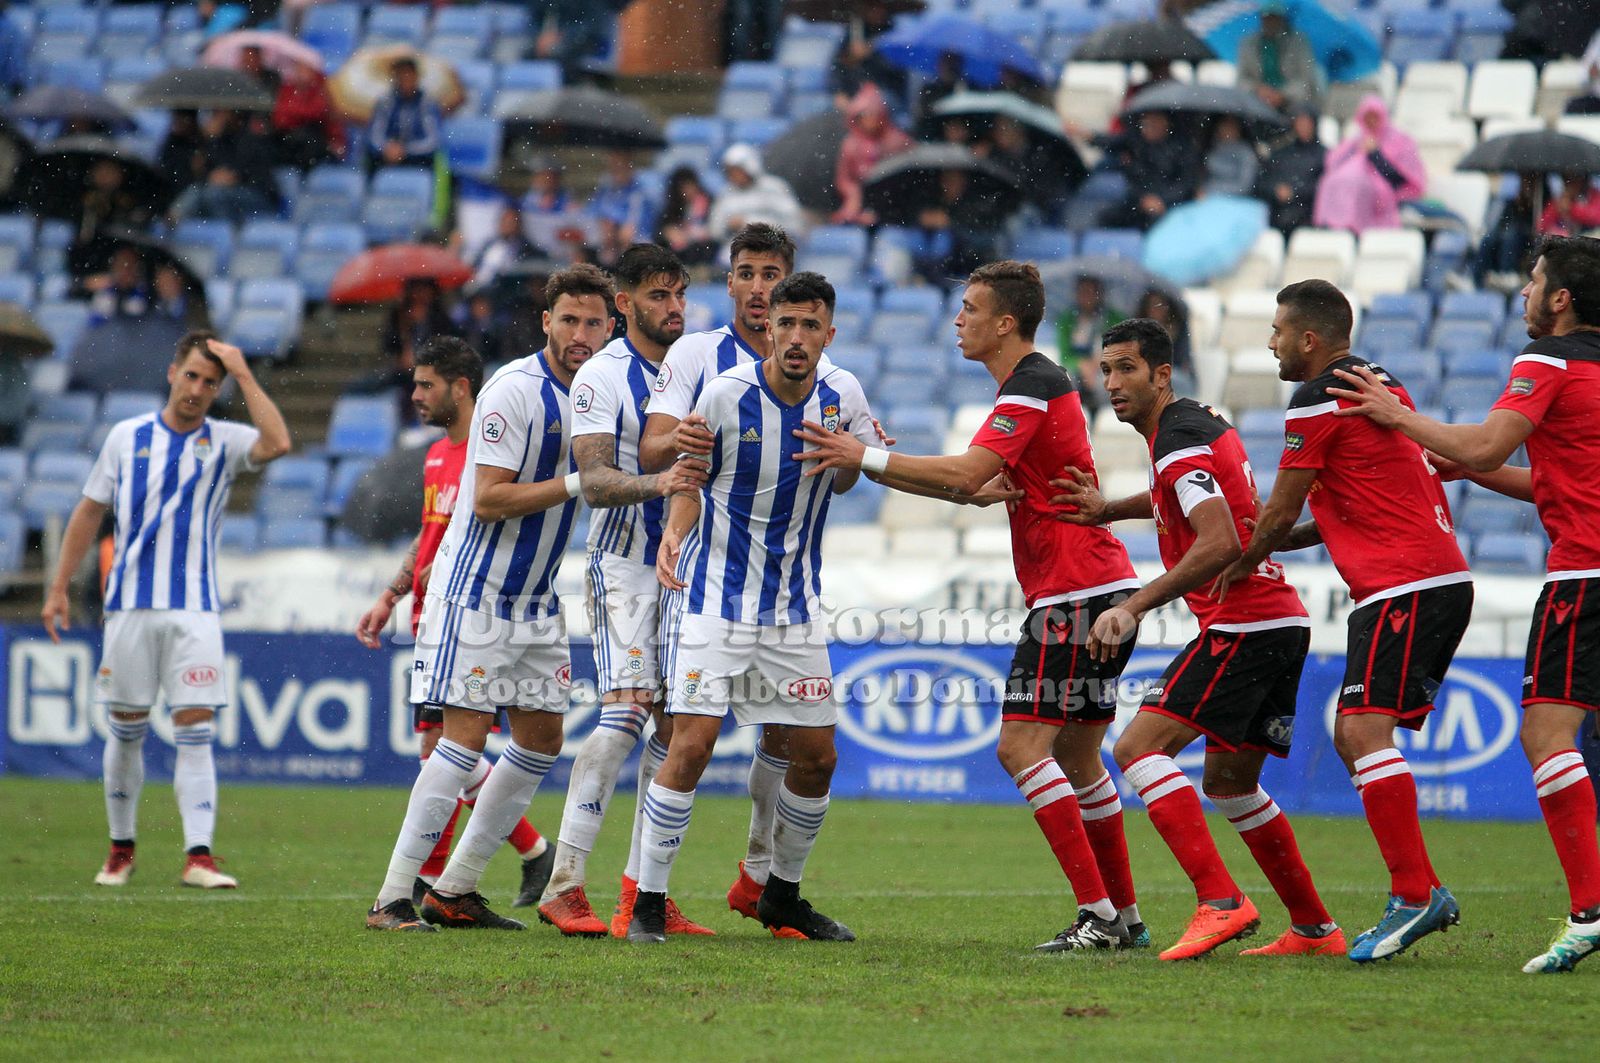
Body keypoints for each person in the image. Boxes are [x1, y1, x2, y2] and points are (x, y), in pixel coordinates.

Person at [794, 261, 1148, 952]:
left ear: (1005, 322)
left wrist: (860, 455)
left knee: (1020, 748)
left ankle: (1099, 914)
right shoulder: (1038, 385)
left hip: (1074, 595)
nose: (958, 319)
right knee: (1080, 759)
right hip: (1103, 587)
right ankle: (1124, 915)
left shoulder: (1035, 383)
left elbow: (964, 471)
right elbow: (967, 484)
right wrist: (961, 484)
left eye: (969, 308)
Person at [1326, 235, 1600, 974]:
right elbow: (1544, 479)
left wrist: (1396, 415)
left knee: (1547, 735)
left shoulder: (1547, 359)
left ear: (1562, 298)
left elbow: (1483, 445)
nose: (1524, 293)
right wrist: (1467, 469)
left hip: (1586, 578)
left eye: (1534, 280)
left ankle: (1588, 912)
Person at [1052, 318, 1343, 961]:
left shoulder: (1177, 436)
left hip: (1244, 623)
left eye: (1126, 368)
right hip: (1279, 622)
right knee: (1232, 783)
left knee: (1137, 748)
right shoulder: (1195, 422)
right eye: (1105, 369)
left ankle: (1220, 900)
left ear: (1162, 374)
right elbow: (1190, 503)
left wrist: (1132, 606)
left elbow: (1219, 540)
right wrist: (1108, 508)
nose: (1112, 382)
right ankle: (1317, 929)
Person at [1216, 280, 1471, 962]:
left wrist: (1238, 559)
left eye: (1276, 330)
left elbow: (1279, 510)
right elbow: (1330, 510)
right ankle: (1416, 889)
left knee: (1360, 728)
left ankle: (1416, 895)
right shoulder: (1375, 382)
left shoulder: (1317, 396)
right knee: (1357, 730)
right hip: (1423, 579)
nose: (1269, 341)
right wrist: (1269, 538)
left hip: (1406, 582)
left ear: (1309, 338)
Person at [631, 271, 875, 943]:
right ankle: (649, 900)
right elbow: (690, 477)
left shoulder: (843, 394)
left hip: (795, 609)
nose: (796, 337)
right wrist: (677, 528)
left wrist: (847, 456)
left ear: (831, 331)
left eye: (810, 325)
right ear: (769, 327)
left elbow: (852, 475)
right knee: (693, 744)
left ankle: (782, 895)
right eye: (785, 323)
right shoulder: (725, 394)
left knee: (818, 756)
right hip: (716, 599)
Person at [366, 264, 608, 932]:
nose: (580, 334)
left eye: (592, 321)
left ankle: (455, 889)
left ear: (610, 326)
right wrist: (577, 482)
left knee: (540, 739)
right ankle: (391, 897)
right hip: (474, 592)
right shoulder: (513, 388)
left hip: (535, 600)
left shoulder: (601, 393)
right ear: (546, 323)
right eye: (569, 319)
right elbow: (491, 498)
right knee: (463, 741)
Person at [42, 333, 292, 890]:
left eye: (210, 382)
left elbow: (278, 442)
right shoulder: (125, 438)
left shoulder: (224, 440)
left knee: (194, 730)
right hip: (129, 607)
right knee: (126, 733)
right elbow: (88, 512)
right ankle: (120, 850)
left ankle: (198, 857)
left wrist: (244, 373)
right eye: (192, 376)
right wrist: (58, 587)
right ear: (172, 371)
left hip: (195, 610)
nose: (198, 390)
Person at [540, 244, 712, 937]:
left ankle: (644, 892)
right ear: (626, 305)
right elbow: (593, 478)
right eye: (659, 295)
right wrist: (660, 483)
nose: (673, 307)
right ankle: (564, 880)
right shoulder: (602, 375)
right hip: (624, 565)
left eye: (680, 294)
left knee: (673, 731)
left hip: (685, 567)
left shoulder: (694, 363)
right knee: (627, 712)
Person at [354, 337, 555, 912]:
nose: (414, 395)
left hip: (468, 611)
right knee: (442, 744)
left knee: (444, 746)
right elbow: (428, 531)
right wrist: (393, 593)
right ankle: (528, 850)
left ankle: (431, 878)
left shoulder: (484, 456)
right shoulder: (438, 454)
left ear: (460, 387)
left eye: (425, 385)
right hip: (426, 611)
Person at [1312, 95, 1424, 234]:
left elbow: (1400, 179)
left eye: (1375, 117)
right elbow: (1333, 164)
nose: (1371, 122)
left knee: (1359, 187)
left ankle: (1355, 231)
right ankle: (1335, 228)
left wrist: (1375, 154)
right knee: (1331, 183)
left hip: (1388, 196)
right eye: (1367, 117)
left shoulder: (1400, 141)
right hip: (1351, 191)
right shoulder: (1355, 142)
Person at [832, 83, 912, 226]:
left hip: (891, 202)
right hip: (859, 201)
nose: (869, 120)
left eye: (873, 114)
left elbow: (905, 174)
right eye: (864, 115)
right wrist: (854, 194)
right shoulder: (850, 144)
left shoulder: (897, 141)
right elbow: (843, 178)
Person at [1107, 111, 1197, 231]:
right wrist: (1142, 198)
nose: (1147, 129)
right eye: (1145, 125)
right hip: (1139, 202)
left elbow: (1186, 183)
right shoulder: (1137, 146)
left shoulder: (1182, 149)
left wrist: (1162, 200)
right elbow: (1133, 181)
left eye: (1153, 124)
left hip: (1171, 204)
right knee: (1109, 217)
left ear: (1166, 124)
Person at [1236, 1, 1324, 112]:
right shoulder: (1248, 43)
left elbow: (1306, 79)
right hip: (1257, 102)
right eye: (1266, 17)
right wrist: (1258, 90)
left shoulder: (1298, 42)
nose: (1270, 22)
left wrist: (1282, 94)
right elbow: (1241, 79)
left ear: (1282, 19)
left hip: (1293, 103)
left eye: (1274, 18)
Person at [1054, 275, 1124, 411]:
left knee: (1104, 384)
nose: (1087, 297)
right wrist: (1082, 364)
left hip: (1106, 367)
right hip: (1077, 369)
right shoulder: (1067, 319)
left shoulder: (1113, 318)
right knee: (1067, 381)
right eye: (1082, 292)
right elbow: (1064, 355)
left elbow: (1120, 348)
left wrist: (1100, 363)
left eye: (1091, 292)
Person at [709, 144, 805, 243]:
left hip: (773, 247)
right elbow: (715, 230)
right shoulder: (725, 194)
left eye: (737, 171)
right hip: (736, 249)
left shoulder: (774, 188)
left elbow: (794, 224)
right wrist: (729, 226)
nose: (734, 176)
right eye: (730, 172)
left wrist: (751, 224)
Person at [1255, 103, 1325, 236]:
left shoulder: (1324, 155)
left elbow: (1323, 186)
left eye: (1306, 122)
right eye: (1299, 122)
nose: (1303, 127)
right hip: (1277, 214)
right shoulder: (1281, 153)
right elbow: (1262, 182)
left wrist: (1295, 192)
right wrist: (1276, 190)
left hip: (1307, 216)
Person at [367, 56, 441, 172]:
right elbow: (374, 135)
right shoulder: (385, 102)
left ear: (416, 77)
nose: (405, 80)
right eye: (401, 76)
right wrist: (387, 147)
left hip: (416, 157)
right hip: (388, 155)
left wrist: (405, 150)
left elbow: (432, 140)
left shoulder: (427, 104)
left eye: (409, 76)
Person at [273, 57, 346, 170]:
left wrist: (294, 113)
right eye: (299, 69)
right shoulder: (287, 90)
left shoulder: (321, 89)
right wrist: (300, 114)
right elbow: (280, 119)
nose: (302, 74)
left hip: (315, 141)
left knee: (307, 135)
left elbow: (320, 113)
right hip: (291, 141)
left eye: (305, 69)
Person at [589, 150, 657, 267]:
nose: (616, 170)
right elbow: (591, 214)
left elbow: (636, 227)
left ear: (629, 167)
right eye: (613, 166)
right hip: (608, 244)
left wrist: (618, 229)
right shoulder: (605, 191)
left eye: (620, 165)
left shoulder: (640, 192)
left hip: (636, 243)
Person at [655, 166, 716, 267]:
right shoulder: (672, 208)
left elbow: (715, 228)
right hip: (679, 252)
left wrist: (696, 234)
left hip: (702, 250)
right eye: (684, 187)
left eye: (691, 185)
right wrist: (668, 232)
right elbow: (661, 230)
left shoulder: (709, 203)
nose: (688, 190)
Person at [1200, 116, 1259, 199]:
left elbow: (1245, 184)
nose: (1226, 131)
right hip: (1208, 197)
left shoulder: (1245, 152)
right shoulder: (1212, 148)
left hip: (1236, 199)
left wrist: (1213, 189)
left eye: (1230, 127)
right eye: (1224, 126)